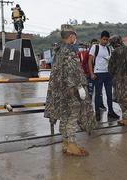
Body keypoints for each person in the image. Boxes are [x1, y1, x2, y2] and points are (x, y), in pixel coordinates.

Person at [44, 24, 96, 156]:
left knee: (65, 117)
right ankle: (72, 144)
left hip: (61, 91)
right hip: (71, 92)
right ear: (71, 36)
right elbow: (72, 71)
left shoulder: (59, 50)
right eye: (75, 37)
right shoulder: (69, 52)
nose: (76, 39)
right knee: (72, 116)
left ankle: (66, 144)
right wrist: (79, 87)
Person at [88, 31, 120, 122]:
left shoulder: (109, 48)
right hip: (98, 74)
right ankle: (97, 113)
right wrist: (91, 73)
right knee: (98, 94)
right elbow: (89, 61)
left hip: (108, 74)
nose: (105, 41)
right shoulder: (95, 47)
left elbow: (112, 61)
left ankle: (111, 111)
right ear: (100, 38)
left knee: (109, 94)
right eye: (104, 39)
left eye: (107, 39)